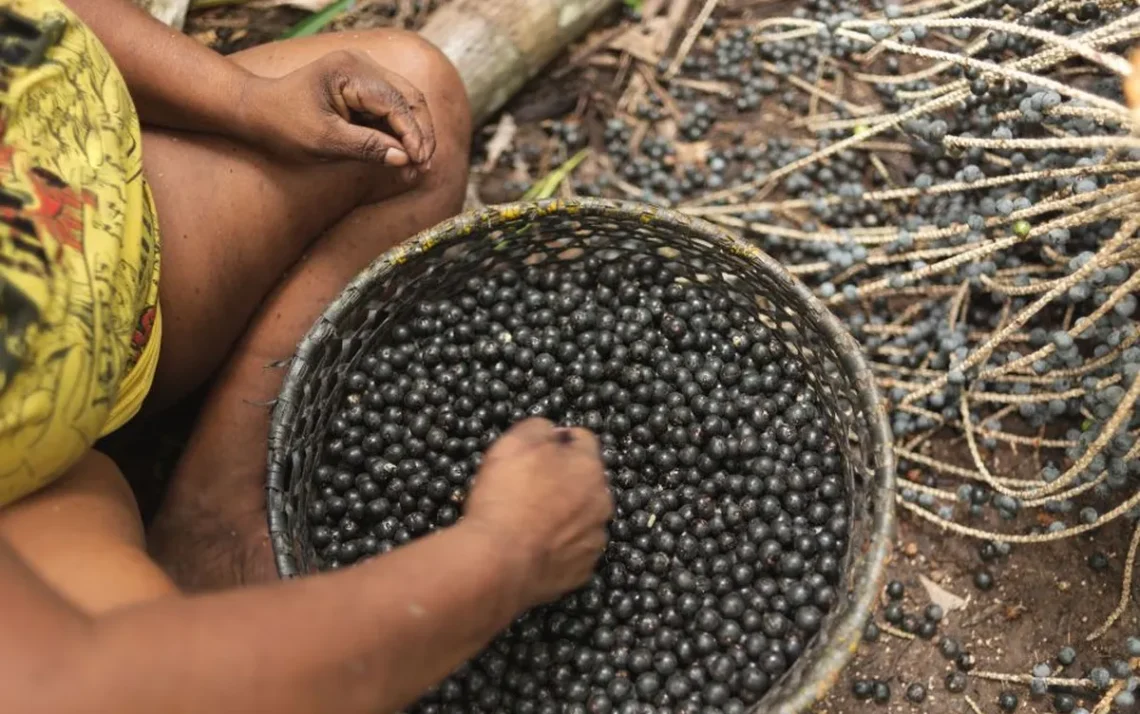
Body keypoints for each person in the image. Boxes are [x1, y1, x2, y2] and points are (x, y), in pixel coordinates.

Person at [0, 0, 614, 711]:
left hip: (94, 227)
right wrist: (505, 555)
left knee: (406, 114)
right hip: (29, 490)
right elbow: (85, 687)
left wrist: (245, 100)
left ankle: (213, 510)